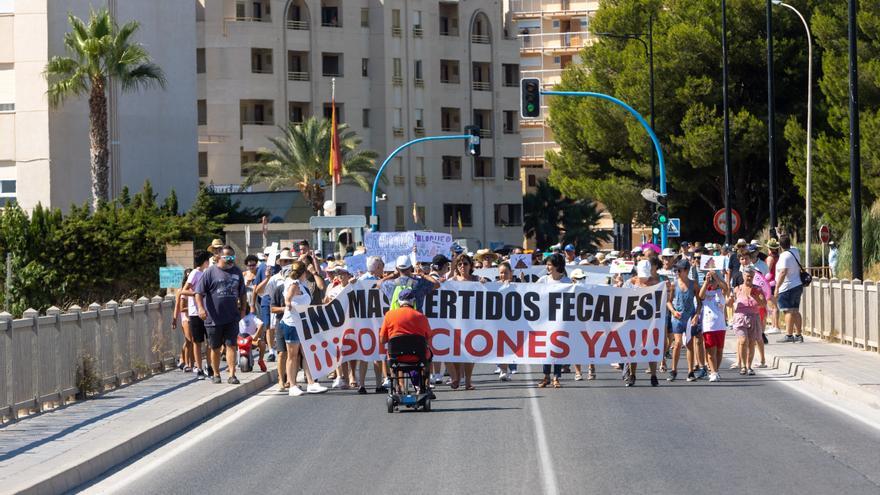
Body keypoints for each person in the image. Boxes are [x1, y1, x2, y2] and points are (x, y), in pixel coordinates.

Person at [195, 246, 248, 385]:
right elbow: (198, 293)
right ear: (219, 257)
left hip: (232, 316)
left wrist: (243, 309)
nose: (230, 260)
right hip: (213, 317)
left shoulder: (237, 272)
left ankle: (232, 374)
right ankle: (216, 373)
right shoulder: (210, 272)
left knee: (231, 345)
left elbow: (242, 293)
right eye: (227, 257)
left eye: (232, 257)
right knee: (215, 347)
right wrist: (201, 308)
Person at [280, 262, 328, 396]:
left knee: (307, 352)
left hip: (303, 322)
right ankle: (292, 385)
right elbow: (288, 297)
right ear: (303, 273)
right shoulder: (294, 283)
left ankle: (311, 383)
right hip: (292, 323)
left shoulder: (301, 283)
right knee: (292, 355)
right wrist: (288, 304)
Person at [378, 289, 433, 395]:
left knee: (390, 355)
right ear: (413, 302)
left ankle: (397, 386)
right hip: (418, 357)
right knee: (429, 354)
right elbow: (428, 337)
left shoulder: (389, 315)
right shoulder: (421, 316)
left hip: (396, 357)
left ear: (399, 302)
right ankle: (425, 386)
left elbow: (382, 340)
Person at [622, 259, 661, 386]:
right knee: (633, 348)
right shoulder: (629, 283)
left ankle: (654, 375)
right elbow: (622, 299)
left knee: (650, 347)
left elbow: (661, 301)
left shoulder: (655, 283)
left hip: (650, 322)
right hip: (633, 321)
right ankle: (632, 374)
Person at [446, 253, 481, 390]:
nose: (462, 266)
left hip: (472, 321)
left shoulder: (476, 279)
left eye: (465, 264)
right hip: (455, 321)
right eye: (459, 264)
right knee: (456, 351)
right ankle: (456, 377)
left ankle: (468, 381)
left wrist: (483, 283)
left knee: (469, 352)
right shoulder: (452, 280)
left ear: (470, 266)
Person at [357, 256, 390, 393]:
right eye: (381, 266)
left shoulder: (361, 280)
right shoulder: (367, 281)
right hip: (370, 323)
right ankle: (373, 385)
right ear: (377, 267)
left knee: (370, 355)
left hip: (371, 323)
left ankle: (366, 385)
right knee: (373, 355)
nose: (383, 268)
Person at [537, 253, 570, 388]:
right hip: (545, 320)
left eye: (550, 264)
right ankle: (546, 376)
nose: (547, 267)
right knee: (546, 349)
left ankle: (556, 377)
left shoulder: (567, 282)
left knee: (558, 348)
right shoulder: (543, 280)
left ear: (557, 266)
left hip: (561, 321)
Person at [667, 258, 702, 382]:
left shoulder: (694, 284)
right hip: (677, 318)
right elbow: (668, 302)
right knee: (677, 344)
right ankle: (673, 370)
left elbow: (699, 303)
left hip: (689, 318)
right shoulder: (673, 284)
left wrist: (696, 315)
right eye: (676, 270)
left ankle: (690, 371)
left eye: (679, 270)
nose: (677, 272)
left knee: (689, 344)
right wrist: (673, 311)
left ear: (686, 270)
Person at [179, 250, 212, 379]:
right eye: (208, 260)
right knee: (197, 341)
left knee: (210, 341)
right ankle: (198, 367)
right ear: (205, 262)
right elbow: (184, 290)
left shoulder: (207, 273)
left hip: (208, 311)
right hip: (195, 312)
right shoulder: (195, 273)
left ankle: (209, 366)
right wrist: (197, 293)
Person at [729, 266, 767, 376]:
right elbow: (728, 304)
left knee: (751, 342)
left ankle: (749, 366)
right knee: (743, 340)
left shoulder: (758, 289)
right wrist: (730, 299)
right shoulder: (737, 289)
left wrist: (756, 297)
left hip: (754, 317)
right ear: (743, 276)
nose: (749, 278)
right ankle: (743, 366)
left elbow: (763, 304)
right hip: (740, 318)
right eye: (747, 276)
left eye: (751, 276)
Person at [699, 270, 729, 382]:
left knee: (719, 351)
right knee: (711, 351)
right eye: (710, 280)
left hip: (720, 326)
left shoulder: (721, 291)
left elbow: (726, 287)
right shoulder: (706, 291)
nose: (712, 282)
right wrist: (706, 282)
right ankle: (713, 372)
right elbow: (700, 295)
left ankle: (716, 370)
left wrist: (716, 277)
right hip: (708, 326)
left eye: (713, 281)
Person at [775, 235, 804, 343]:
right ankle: (799, 334)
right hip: (797, 284)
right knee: (796, 311)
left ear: (780, 245)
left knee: (788, 311)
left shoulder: (784, 256)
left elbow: (783, 272)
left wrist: (777, 288)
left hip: (787, 286)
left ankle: (789, 335)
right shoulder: (795, 251)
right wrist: (780, 235)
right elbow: (787, 244)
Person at [172, 268, 194, 371]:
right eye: (187, 277)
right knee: (188, 340)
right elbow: (177, 306)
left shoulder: (194, 289)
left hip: (194, 316)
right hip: (185, 317)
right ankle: (186, 363)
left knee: (193, 341)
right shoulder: (181, 291)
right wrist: (174, 319)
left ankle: (186, 361)